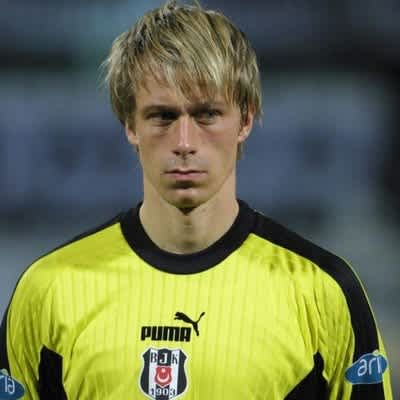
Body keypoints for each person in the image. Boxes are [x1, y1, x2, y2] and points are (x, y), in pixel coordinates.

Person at [0, 1, 393, 399]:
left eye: (206, 115)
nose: (185, 142)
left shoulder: (322, 291)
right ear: (130, 124)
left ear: (245, 120)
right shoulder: (49, 290)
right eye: (162, 116)